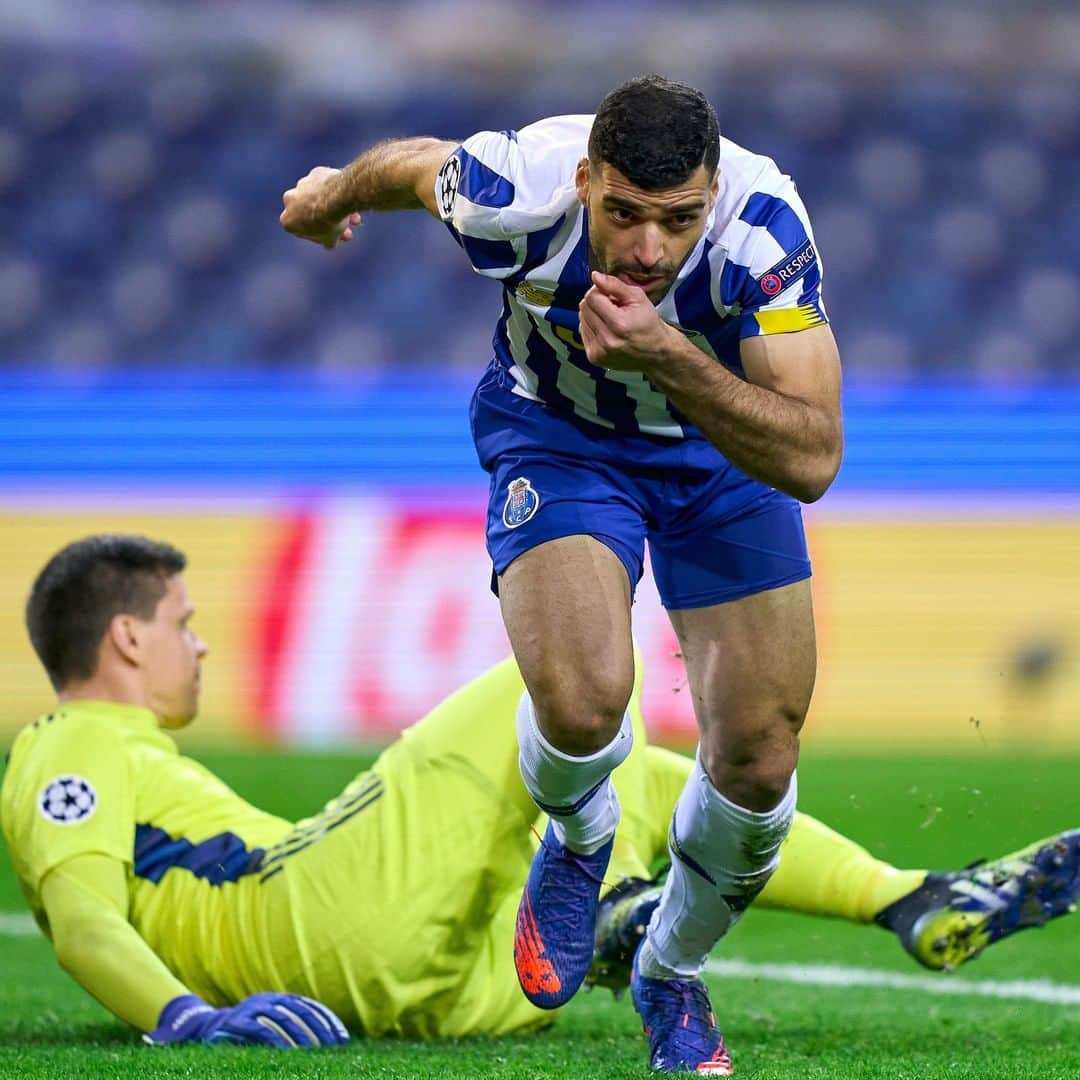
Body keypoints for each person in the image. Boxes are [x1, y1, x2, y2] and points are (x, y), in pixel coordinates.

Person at [4, 536, 1079, 1070]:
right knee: (549, 691)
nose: (198, 642)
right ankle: (613, 883)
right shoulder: (69, 743)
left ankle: (904, 902)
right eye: (182, 624)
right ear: (127, 638)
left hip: (398, 995)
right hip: (313, 915)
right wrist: (186, 1021)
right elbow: (87, 916)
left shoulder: (122, 753)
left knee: (641, 777)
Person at [279, 74, 841, 1071]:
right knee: (584, 705)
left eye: (676, 221)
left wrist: (666, 353)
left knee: (759, 759)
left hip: (720, 455)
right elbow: (413, 167)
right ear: (585, 181)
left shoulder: (764, 231)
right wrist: (331, 196)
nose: (647, 250)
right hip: (560, 437)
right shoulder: (515, 194)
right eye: (623, 214)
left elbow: (811, 456)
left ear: (710, 198)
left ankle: (669, 969)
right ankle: (581, 840)